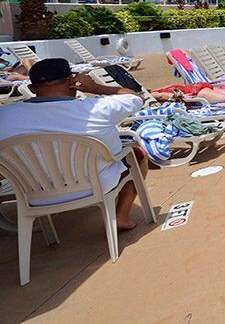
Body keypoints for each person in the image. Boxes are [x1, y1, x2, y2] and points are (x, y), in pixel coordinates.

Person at [0, 59, 150, 230]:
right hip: (94, 187)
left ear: (32, 88)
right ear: (72, 82)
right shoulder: (98, 108)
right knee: (136, 155)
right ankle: (121, 216)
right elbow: (135, 97)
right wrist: (96, 88)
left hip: (34, 195)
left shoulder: (5, 116)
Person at [152, 76, 225, 104]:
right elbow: (174, 85)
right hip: (197, 87)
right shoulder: (161, 88)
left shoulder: (152, 93)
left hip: (196, 93)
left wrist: (181, 97)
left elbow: (159, 96)